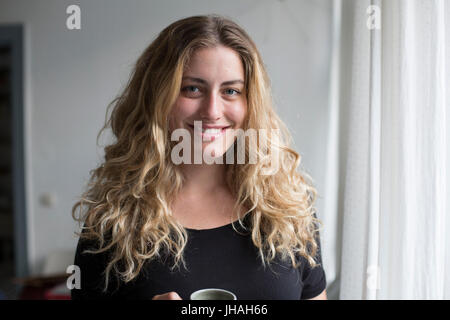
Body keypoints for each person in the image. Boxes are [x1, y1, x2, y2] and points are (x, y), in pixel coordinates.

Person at [71, 14, 327, 300]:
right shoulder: (111, 221)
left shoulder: (288, 208)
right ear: (157, 97)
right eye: (192, 88)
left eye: (231, 91)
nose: (212, 111)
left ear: (250, 102)